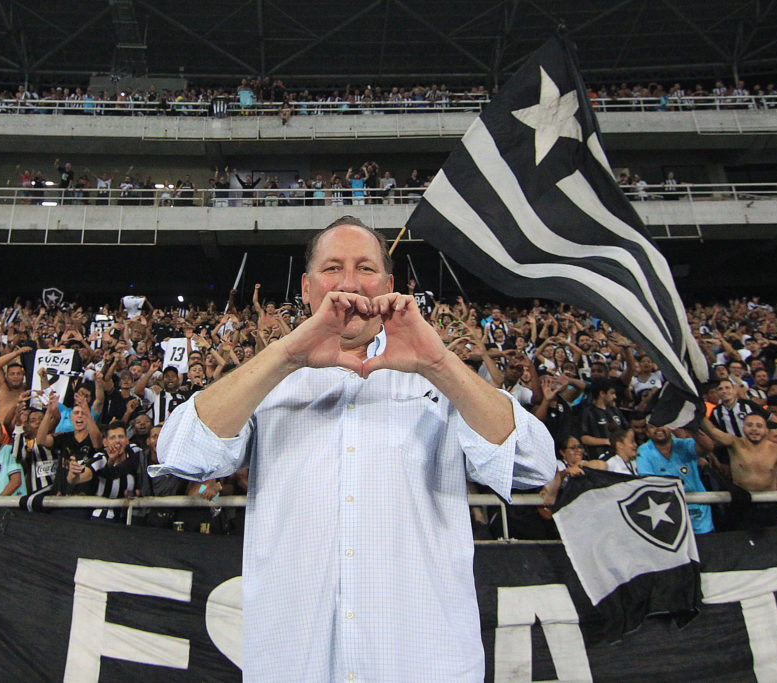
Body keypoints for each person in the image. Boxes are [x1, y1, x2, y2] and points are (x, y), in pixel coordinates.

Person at [152, 216, 554, 682]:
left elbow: (534, 465)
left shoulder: (440, 377)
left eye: (365, 268)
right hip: (293, 663)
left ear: (388, 285)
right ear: (306, 288)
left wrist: (439, 363)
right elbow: (183, 453)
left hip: (421, 661)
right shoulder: (270, 380)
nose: (348, 283)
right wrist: (285, 356)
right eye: (332, 269)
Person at [636, 421, 715, 534]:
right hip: (668, 515)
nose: (658, 429)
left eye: (662, 424)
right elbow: (649, 483)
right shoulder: (644, 451)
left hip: (699, 515)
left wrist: (693, 428)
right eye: (653, 426)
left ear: (671, 427)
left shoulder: (684, 444)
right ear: (647, 432)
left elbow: (708, 447)